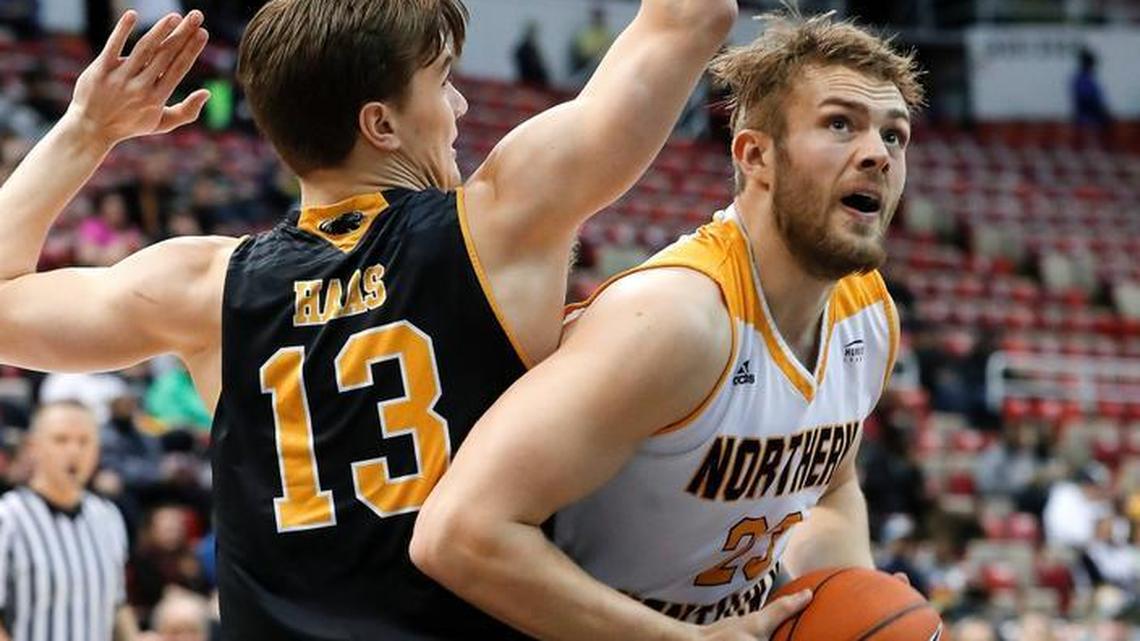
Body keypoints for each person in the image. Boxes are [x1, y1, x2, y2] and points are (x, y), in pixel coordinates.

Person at [0, 0, 738, 638]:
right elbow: (691, 18)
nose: (461, 107)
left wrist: (84, 130)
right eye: (442, 82)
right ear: (381, 124)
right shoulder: (499, 221)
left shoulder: (202, 286)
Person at [413, 10, 924, 639]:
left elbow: (832, 488)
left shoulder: (867, 316)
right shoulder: (673, 318)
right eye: (840, 124)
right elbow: (459, 534)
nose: (877, 155)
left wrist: (847, 602)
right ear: (756, 155)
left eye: (894, 135)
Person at [0, 401, 137, 641]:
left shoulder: (108, 516)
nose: (74, 451)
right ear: (33, 447)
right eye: (61, 440)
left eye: (84, 441)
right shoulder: (8, 517)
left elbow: (117, 605)